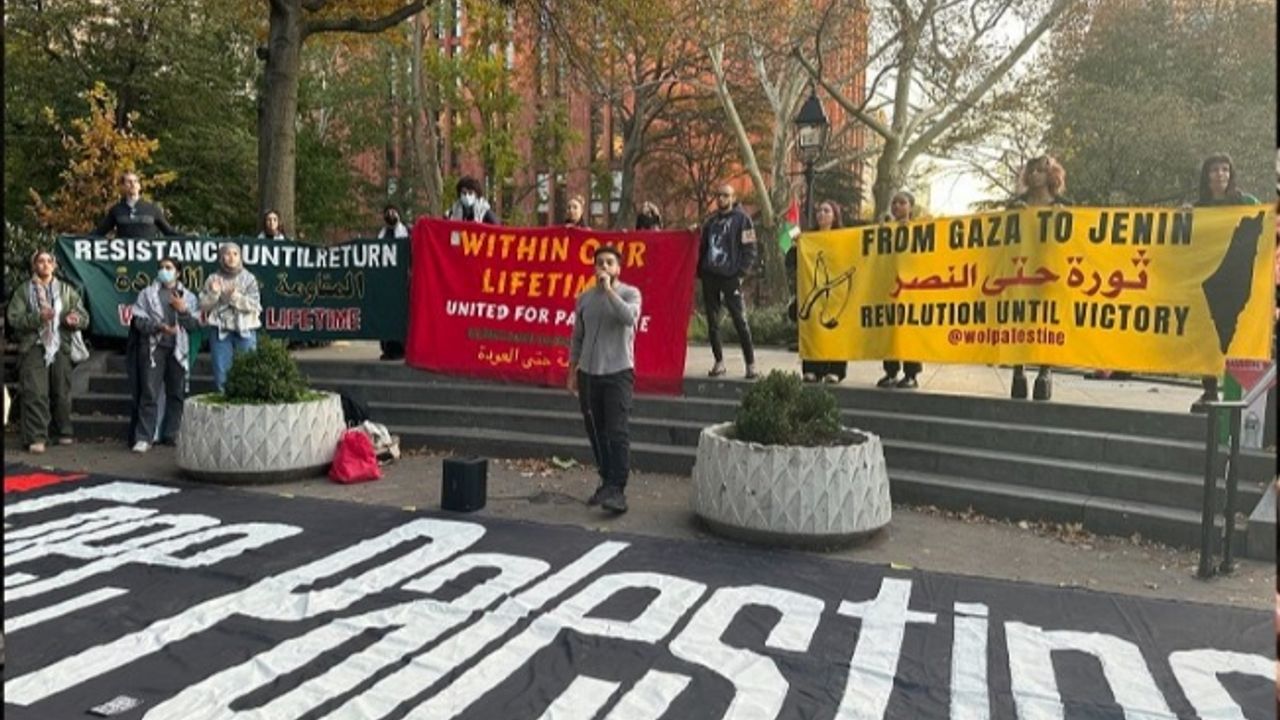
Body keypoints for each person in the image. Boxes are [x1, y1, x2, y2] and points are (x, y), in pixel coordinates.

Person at [568, 245, 642, 515]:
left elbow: (629, 318)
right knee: (596, 432)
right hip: (589, 374)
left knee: (617, 431)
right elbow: (578, 336)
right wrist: (571, 370)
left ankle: (618, 489)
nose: (604, 267)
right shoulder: (585, 298)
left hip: (618, 373)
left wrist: (609, 290)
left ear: (618, 268)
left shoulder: (630, 293)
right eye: (600, 262)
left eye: (610, 262)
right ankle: (606, 481)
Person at [1190, 152, 1261, 412]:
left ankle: (1236, 390)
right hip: (1208, 284)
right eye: (1214, 170)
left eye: (1225, 170)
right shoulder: (1200, 209)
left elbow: (1262, 224)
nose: (1220, 174)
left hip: (1236, 282)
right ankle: (1209, 390)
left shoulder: (1246, 202)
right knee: (1207, 337)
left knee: (1233, 335)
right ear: (1206, 176)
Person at [6, 250, 89, 453]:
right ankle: (36, 437)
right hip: (34, 345)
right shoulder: (24, 291)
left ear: (54, 265)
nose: (44, 264)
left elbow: (84, 317)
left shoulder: (67, 291)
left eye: (48, 261)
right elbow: (14, 319)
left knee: (61, 392)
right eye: (40, 261)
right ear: (34, 266)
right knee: (35, 392)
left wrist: (74, 320)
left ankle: (62, 431)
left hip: (61, 344)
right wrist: (37, 317)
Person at [1005, 155, 1072, 401]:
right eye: (1031, 171)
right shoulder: (1016, 204)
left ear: (1051, 175)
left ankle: (1045, 371)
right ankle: (1018, 370)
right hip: (1020, 271)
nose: (1034, 175)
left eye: (1040, 171)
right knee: (1019, 320)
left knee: (1047, 322)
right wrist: (1013, 216)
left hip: (1049, 272)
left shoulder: (1063, 204)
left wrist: (1063, 218)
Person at [128, 257, 200, 452]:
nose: (164, 271)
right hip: (153, 349)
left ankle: (172, 434)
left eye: (169, 268)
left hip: (179, 349)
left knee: (176, 393)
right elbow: (138, 322)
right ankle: (144, 437)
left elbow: (194, 325)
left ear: (177, 272)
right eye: (161, 268)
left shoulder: (189, 297)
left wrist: (182, 310)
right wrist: (159, 327)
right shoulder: (147, 294)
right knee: (149, 393)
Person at [699, 183, 758, 379]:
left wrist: (741, 273)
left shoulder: (743, 219)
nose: (721, 199)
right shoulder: (711, 221)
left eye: (725, 195)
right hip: (710, 276)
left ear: (733, 197)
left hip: (731, 277)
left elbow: (750, 248)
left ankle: (750, 365)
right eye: (718, 195)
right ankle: (719, 362)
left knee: (740, 320)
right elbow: (702, 245)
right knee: (713, 322)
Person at [789, 199, 848, 383]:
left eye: (826, 211)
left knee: (834, 330)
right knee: (812, 330)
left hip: (836, 292)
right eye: (819, 211)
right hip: (812, 289)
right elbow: (791, 262)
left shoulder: (843, 237)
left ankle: (835, 370)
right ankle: (811, 369)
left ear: (835, 216)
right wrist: (795, 244)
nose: (821, 214)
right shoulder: (809, 237)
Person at [877, 191, 925, 389]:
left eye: (902, 202)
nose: (897, 206)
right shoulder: (886, 230)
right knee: (890, 332)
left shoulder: (921, 228)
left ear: (911, 207)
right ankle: (890, 372)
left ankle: (911, 374)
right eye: (894, 202)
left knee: (910, 333)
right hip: (890, 289)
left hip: (912, 290)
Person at [199, 242, 262, 392]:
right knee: (222, 375)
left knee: (248, 372)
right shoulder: (213, 279)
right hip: (220, 333)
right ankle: (224, 410)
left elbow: (255, 305)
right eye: (227, 254)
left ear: (240, 257)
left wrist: (234, 297)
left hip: (245, 330)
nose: (231, 257)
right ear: (221, 258)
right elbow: (202, 305)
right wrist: (214, 294)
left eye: (235, 254)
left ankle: (246, 407)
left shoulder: (249, 278)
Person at [92, 171, 179, 238]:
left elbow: (169, 232)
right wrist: (79, 240)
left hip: (148, 258)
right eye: (129, 182)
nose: (133, 184)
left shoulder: (153, 209)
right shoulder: (116, 210)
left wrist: (189, 239)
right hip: (125, 259)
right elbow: (99, 233)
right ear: (122, 186)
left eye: (135, 181)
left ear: (139, 186)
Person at [377, 204, 410, 361]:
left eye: (393, 212)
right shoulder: (382, 234)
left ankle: (400, 349)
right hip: (385, 284)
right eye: (387, 212)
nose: (390, 215)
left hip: (401, 284)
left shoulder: (405, 232)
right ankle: (387, 348)